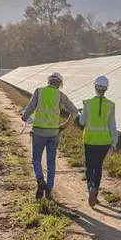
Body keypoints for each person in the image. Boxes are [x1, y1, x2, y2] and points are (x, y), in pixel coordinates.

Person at [21, 71, 77, 200]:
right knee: (51, 162)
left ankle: (40, 180)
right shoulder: (61, 96)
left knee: (36, 160)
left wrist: (24, 117)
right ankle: (49, 191)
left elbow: (30, 108)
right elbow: (74, 112)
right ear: (59, 84)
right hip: (54, 133)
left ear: (48, 81)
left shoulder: (39, 91)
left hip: (39, 132)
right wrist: (65, 125)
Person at [77, 75, 117, 208]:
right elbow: (113, 126)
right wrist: (114, 143)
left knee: (90, 166)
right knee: (98, 167)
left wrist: (82, 112)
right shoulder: (111, 105)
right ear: (106, 89)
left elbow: (82, 121)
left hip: (90, 139)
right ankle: (96, 195)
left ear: (95, 87)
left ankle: (91, 188)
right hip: (105, 141)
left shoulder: (87, 103)